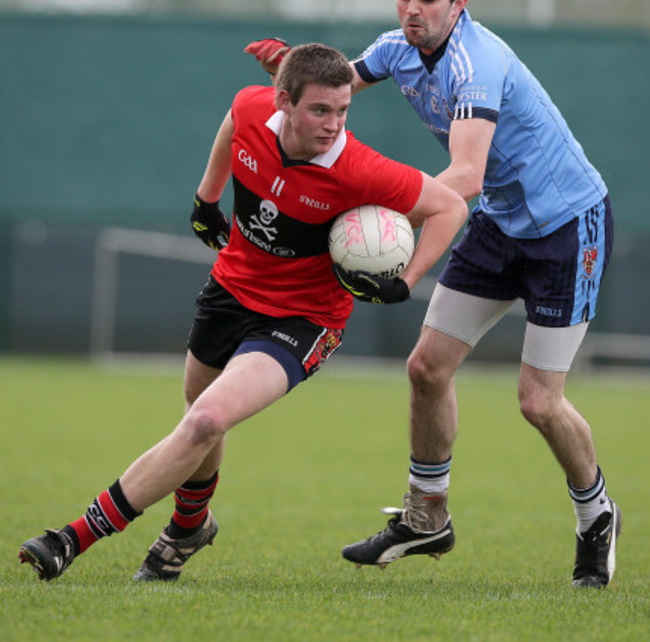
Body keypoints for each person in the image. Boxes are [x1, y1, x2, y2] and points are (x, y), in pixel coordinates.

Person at [245, 0, 620, 589]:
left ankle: (595, 515)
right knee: (426, 367)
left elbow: (467, 175)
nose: (411, 9)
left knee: (537, 402)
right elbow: (334, 92)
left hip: (567, 228)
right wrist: (289, 74)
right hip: (503, 224)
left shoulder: (476, 65)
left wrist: (401, 253)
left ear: (459, 4)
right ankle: (426, 518)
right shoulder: (398, 49)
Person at [18, 43, 467, 583]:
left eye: (343, 110)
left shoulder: (358, 169)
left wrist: (406, 282)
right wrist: (208, 198)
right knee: (197, 414)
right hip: (230, 288)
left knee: (207, 418)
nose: (333, 124)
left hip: (303, 320)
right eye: (319, 110)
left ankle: (71, 538)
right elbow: (234, 118)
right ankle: (190, 527)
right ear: (284, 102)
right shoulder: (255, 108)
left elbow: (450, 206)